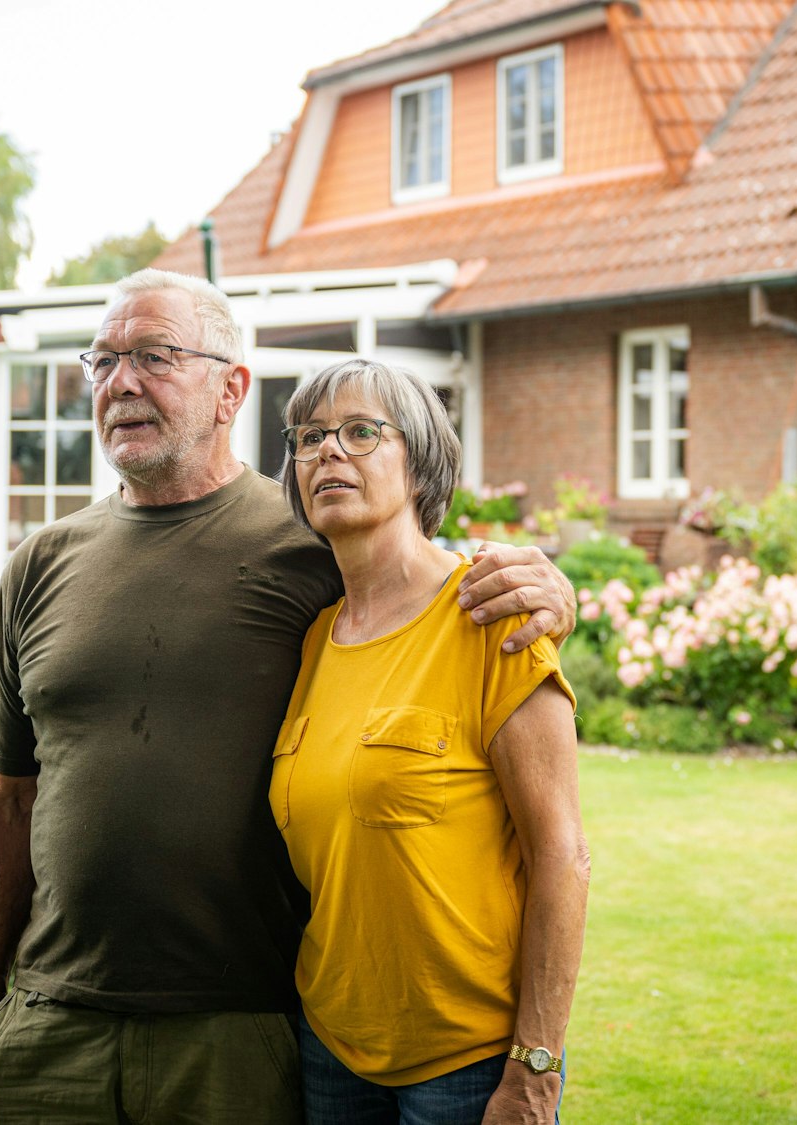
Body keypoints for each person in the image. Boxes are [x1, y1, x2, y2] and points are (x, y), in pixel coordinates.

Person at [0, 270, 574, 1124]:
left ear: (231, 389)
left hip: (236, 1024)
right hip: (55, 1022)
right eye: (102, 361)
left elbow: (419, 578)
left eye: (154, 355)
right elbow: (6, 797)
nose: (121, 382)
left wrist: (544, 585)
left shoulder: (310, 545)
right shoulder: (40, 562)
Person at [273, 359, 590, 1125]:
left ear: (419, 462)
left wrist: (536, 1066)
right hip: (333, 1048)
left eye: (359, 431)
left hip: (467, 1064)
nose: (328, 453)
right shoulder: (315, 639)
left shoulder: (493, 615)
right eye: (310, 437)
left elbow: (562, 855)